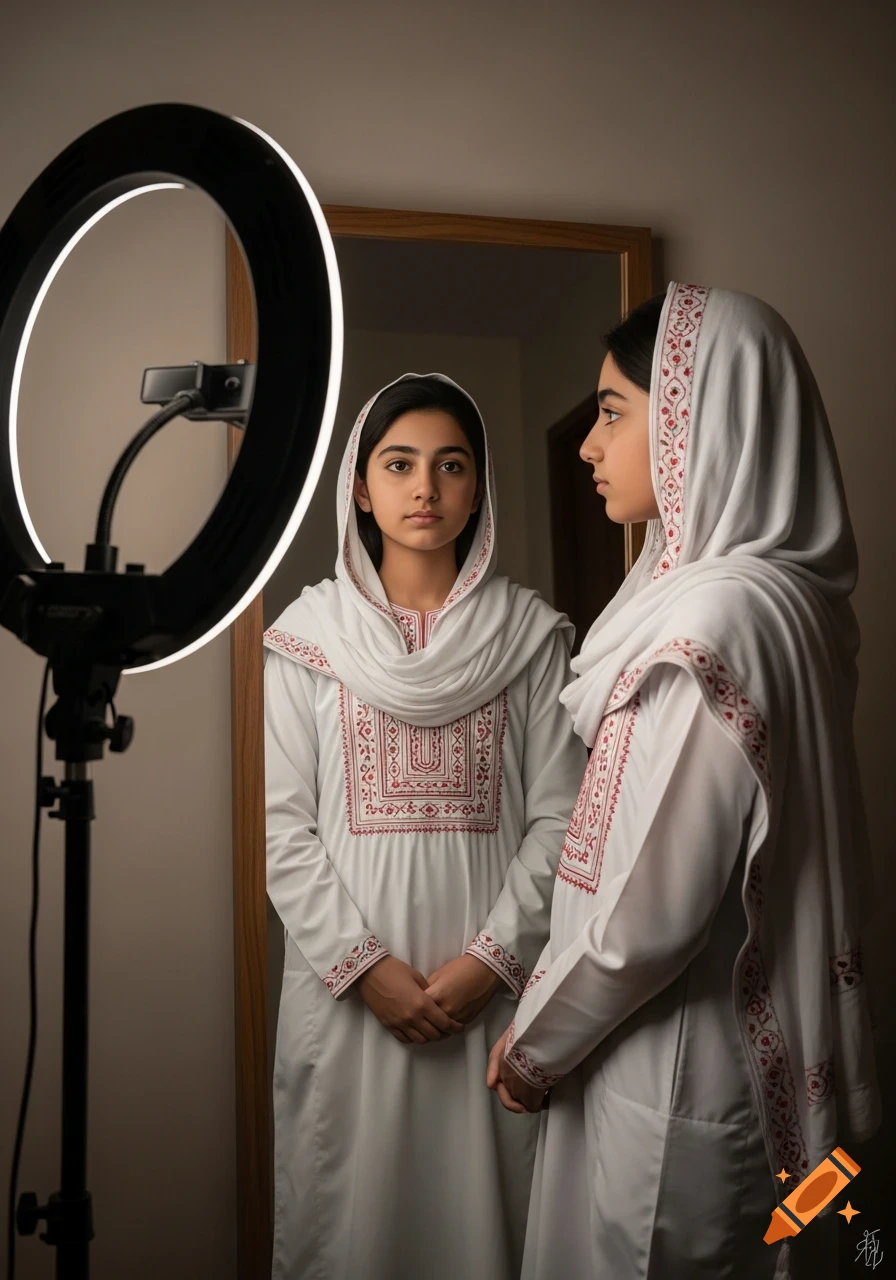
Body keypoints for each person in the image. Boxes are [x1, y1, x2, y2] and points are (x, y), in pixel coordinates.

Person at [487, 285, 881, 1279]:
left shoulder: (717, 620)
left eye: (613, 411)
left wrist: (530, 1047)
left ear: (702, 418)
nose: (587, 443)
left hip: (675, 1065)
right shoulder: (771, 599)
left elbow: (650, 911)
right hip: (667, 1051)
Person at [264, 373, 585, 1280]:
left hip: (493, 1000)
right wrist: (368, 973)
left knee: (495, 1227)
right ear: (360, 488)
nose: (425, 489)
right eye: (398, 464)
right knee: (351, 1226)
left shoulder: (531, 636)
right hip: (349, 1000)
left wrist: (489, 963)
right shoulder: (306, 638)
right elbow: (278, 827)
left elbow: (563, 819)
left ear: (478, 487)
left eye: (451, 466)